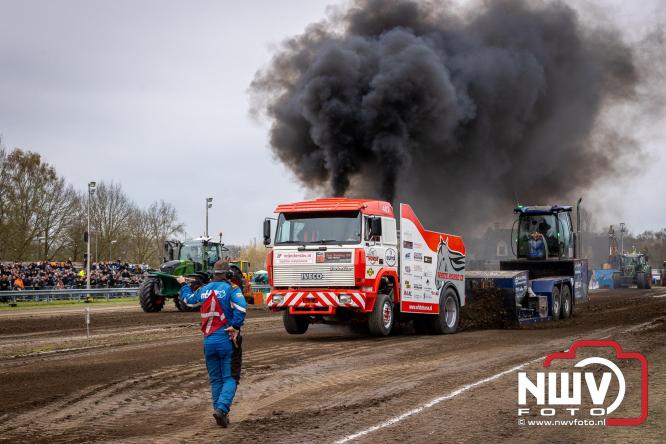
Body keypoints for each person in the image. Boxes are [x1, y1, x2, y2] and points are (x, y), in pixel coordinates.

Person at [177, 261, 247, 428]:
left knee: (216, 379)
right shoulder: (232, 289)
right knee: (230, 377)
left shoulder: (203, 289)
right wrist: (236, 326)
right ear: (228, 274)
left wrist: (183, 285)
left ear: (213, 274)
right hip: (227, 340)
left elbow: (188, 301)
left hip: (208, 342)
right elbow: (242, 307)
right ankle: (222, 410)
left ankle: (219, 411)